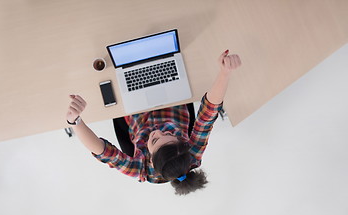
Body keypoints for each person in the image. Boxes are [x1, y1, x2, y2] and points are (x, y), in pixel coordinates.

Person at [66, 50, 242, 195]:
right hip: (171, 98)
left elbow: (104, 152)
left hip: (136, 111)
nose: (158, 131)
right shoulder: (192, 154)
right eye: (169, 135)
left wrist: (75, 120)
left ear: (150, 160)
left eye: (155, 140)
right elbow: (208, 114)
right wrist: (225, 73)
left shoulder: (140, 170)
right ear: (183, 143)